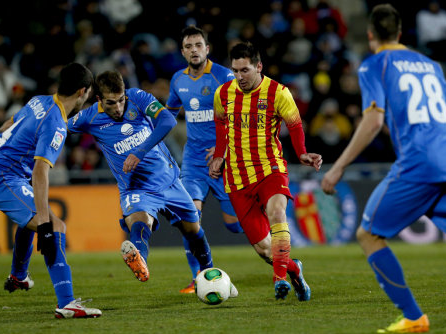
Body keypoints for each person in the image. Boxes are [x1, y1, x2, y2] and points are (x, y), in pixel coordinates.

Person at [321, 4, 446, 334]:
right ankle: (412, 317)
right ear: (401, 33)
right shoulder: (429, 64)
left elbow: (373, 120)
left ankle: (413, 316)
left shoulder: (374, 65)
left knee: (369, 235)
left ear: (371, 34)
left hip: (420, 162)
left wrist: (338, 168)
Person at [0, 62, 102, 319]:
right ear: (82, 92)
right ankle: (67, 303)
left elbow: (5, 126)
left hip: (0, 171)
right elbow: (40, 172)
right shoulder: (56, 122)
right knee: (55, 227)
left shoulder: (39, 100)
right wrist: (45, 223)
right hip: (2, 178)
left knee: (30, 220)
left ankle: (19, 276)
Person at [68, 70, 216, 286]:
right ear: (99, 99)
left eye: (121, 100)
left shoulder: (137, 97)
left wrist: (140, 150)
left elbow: (167, 120)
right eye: (111, 103)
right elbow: (58, 129)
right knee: (140, 220)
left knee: (194, 231)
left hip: (169, 180)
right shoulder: (89, 117)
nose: (118, 108)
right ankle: (140, 262)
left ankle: (209, 274)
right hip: (137, 188)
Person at [209, 42, 322, 301]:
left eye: (245, 70)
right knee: (264, 250)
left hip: (270, 168)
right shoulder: (222, 93)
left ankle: (279, 278)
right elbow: (220, 124)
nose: (240, 77)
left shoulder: (278, 92)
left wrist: (302, 152)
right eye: (235, 71)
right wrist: (218, 156)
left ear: (259, 66)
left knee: (277, 212)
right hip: (237, 177)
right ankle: (293, 269)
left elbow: (294, 125)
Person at [166, 25, 244, 294]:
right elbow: (169, 114)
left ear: (207, 49)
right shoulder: (178, 80)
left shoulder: (224, 76)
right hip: (194, 161)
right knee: (190, 219)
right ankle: (198, 276)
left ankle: (275, 235)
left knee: (235, 226)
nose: (194, 50)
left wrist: (225, 148)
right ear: (183, 52)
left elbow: (241, 114)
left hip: (225, 159)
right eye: (188, 46)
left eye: (198, 45)